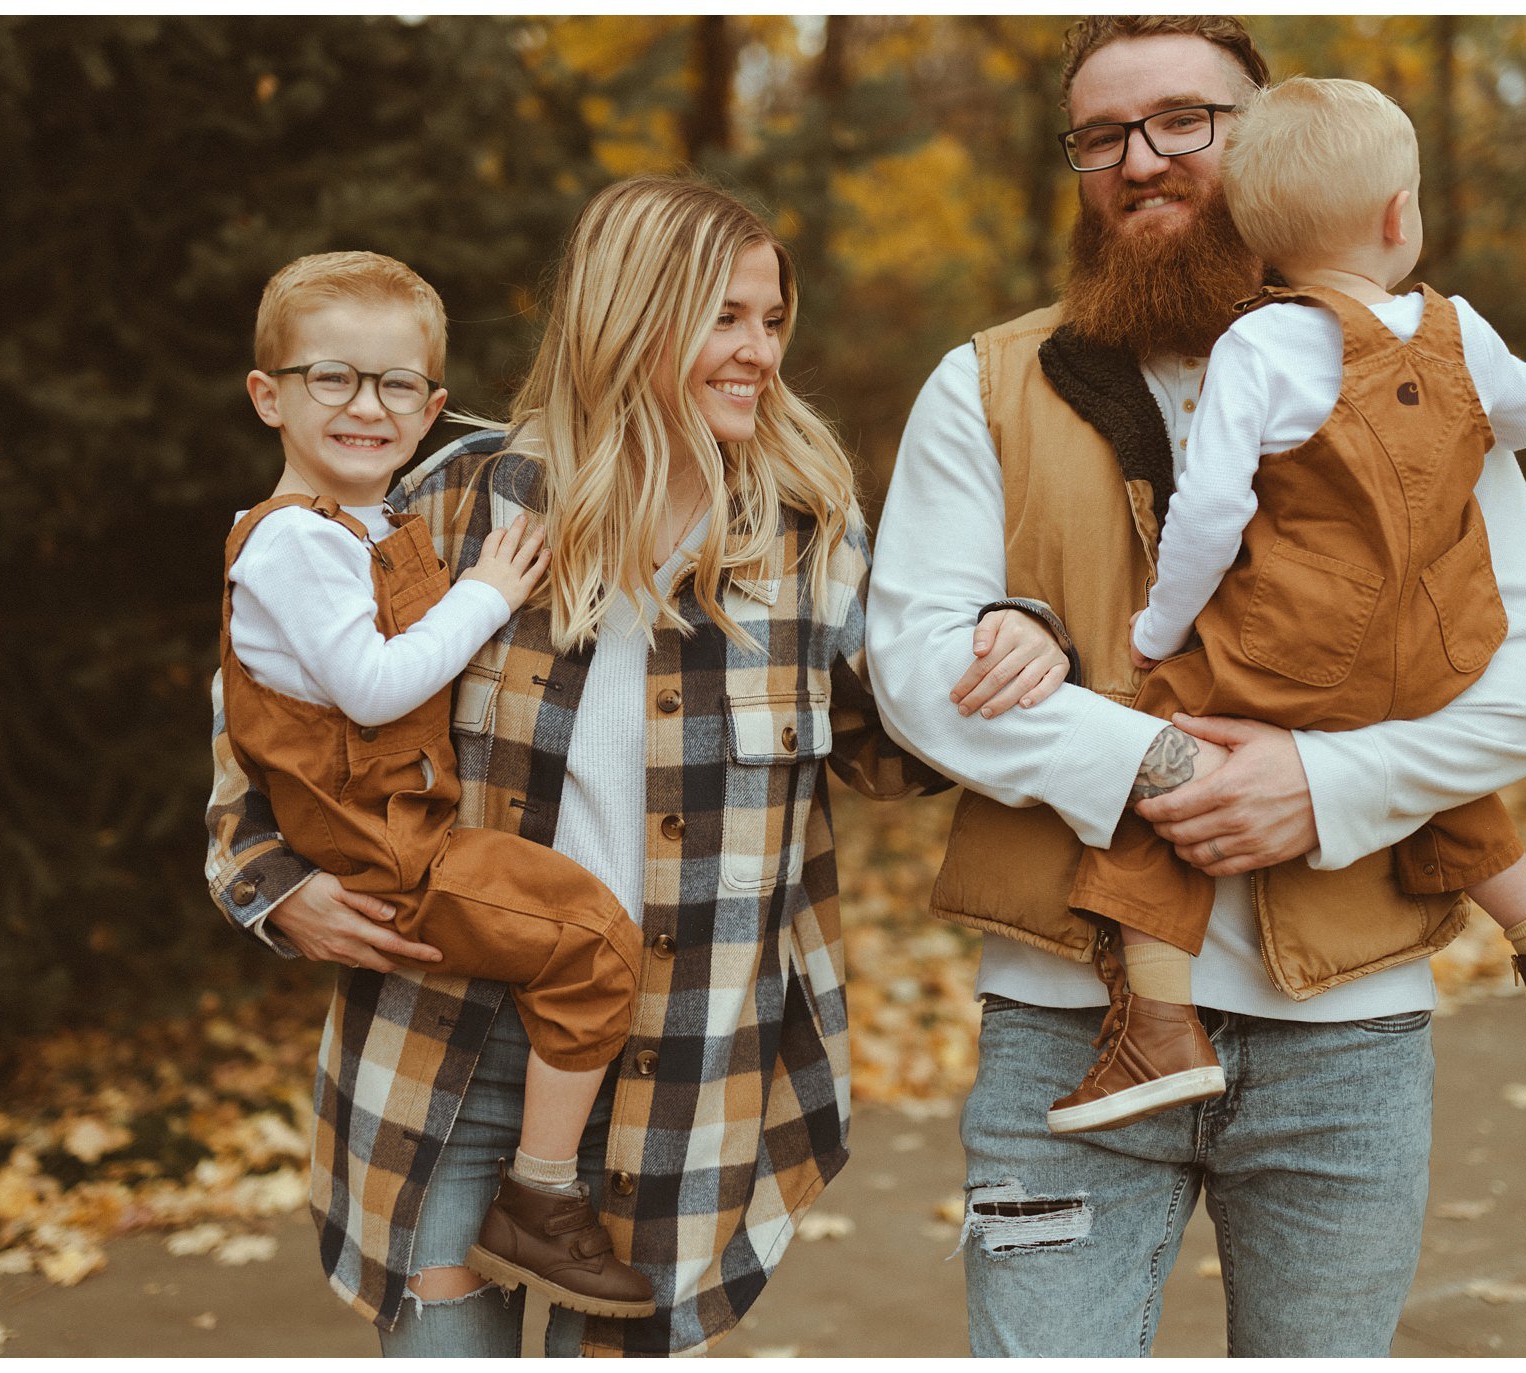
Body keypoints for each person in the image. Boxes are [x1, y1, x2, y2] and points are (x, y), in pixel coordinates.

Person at [204, 178, 1067, 1356]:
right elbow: (273, 710)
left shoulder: (808, 533)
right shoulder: (461, 503)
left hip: (689, 1051)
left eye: (771, 320)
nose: (758, 351)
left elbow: (898, 736)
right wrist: (269, 880)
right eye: (723, 317)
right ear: (629, 314)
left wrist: (1014, 629)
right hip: (452, 1034)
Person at [867, 16, 1526, 1358]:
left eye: (1184, 120)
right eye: (1103, 135)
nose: (1141, 159)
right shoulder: (985, 386)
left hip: (1348, 1044)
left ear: (1264, 142)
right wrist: (1167, 768)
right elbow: (915, 667)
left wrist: (1321, 787)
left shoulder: (1422, 373)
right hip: (1064, 1037)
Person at [1060, 76, 1526, 1132]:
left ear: (1254, 237)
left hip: (1301, 645)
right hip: (1441, 646)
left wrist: (1160, 630)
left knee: (1155, 742)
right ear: (1396, 216)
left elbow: (1208, 514)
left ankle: (1158, 1028)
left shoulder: (1261, 345)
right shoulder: (1462, 333)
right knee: (1427, 762)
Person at [222, 249, 653, 1319]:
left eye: (396, 384)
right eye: (333, 376)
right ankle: (538, 1194)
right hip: (389, 847)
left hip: (403, 824)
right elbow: (369, 690)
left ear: (432, 405)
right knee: (594, 943)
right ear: (267, 393)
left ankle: (535, 1191)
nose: (366, 405)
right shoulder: (295, 544)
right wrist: (486, 589)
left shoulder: (375, 519)